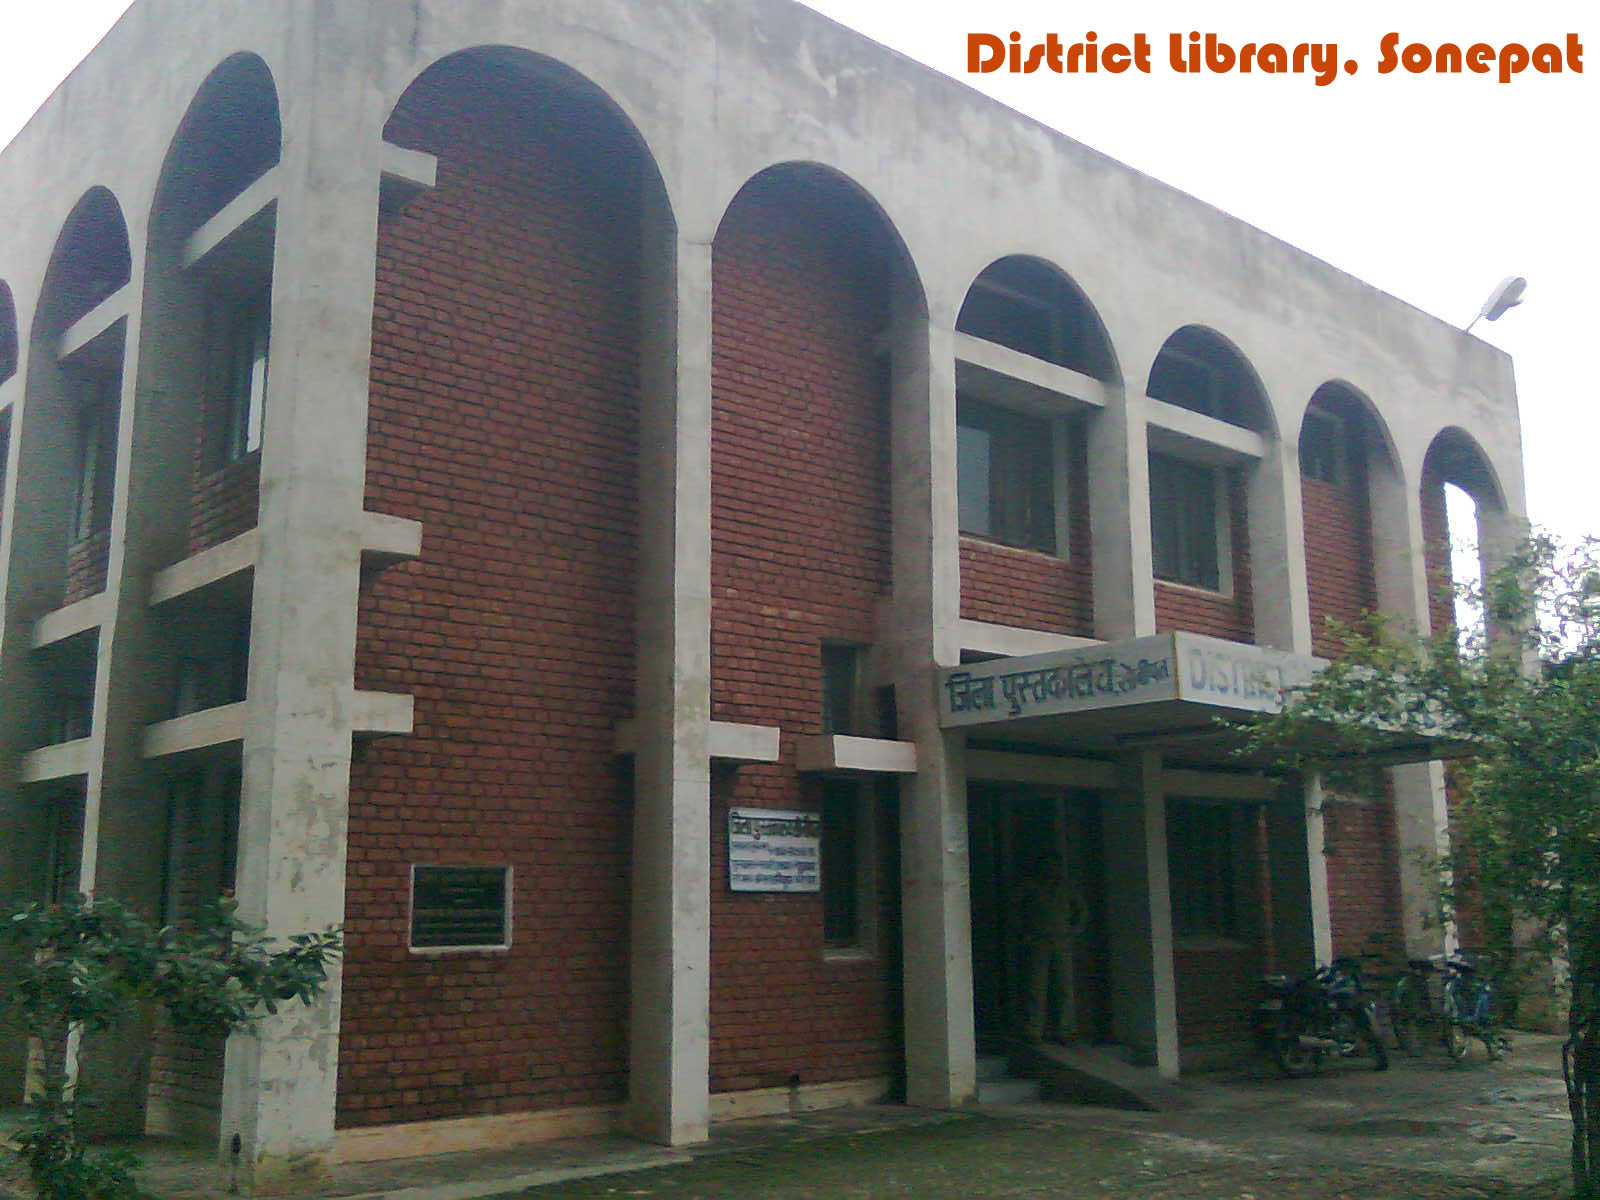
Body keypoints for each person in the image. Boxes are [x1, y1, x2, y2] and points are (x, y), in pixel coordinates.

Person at [1019, 853, 1089, 1044]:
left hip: (1061, 942)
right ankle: (1034, 1029)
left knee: (1064, 987)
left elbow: (1081, 910)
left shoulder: (1066, 888)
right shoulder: (1031, 887)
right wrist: (1025, 933)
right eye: (1046, 865)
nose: (1050, 870)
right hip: (1039, 941)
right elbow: (1018, 909)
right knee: (1036, 987)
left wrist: (1074, 931)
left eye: (1053, 866)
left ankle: (1066, 1030)